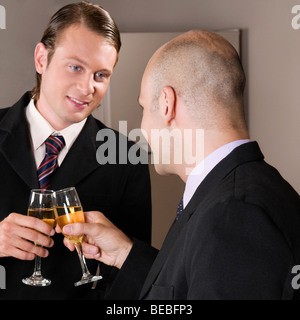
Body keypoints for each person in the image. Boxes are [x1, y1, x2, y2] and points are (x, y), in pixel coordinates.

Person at [60, 30, 300, 300]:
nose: (142, 128)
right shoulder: (237, 193)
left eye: (143, 109)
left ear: (166, 104)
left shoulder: (233, 213)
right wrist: (125, 254)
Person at [0, 2, 151, 300]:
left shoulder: (127, 157)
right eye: (76, 67)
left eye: (101, 75)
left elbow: (133, 280)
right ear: (41, 58)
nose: (87, 87)